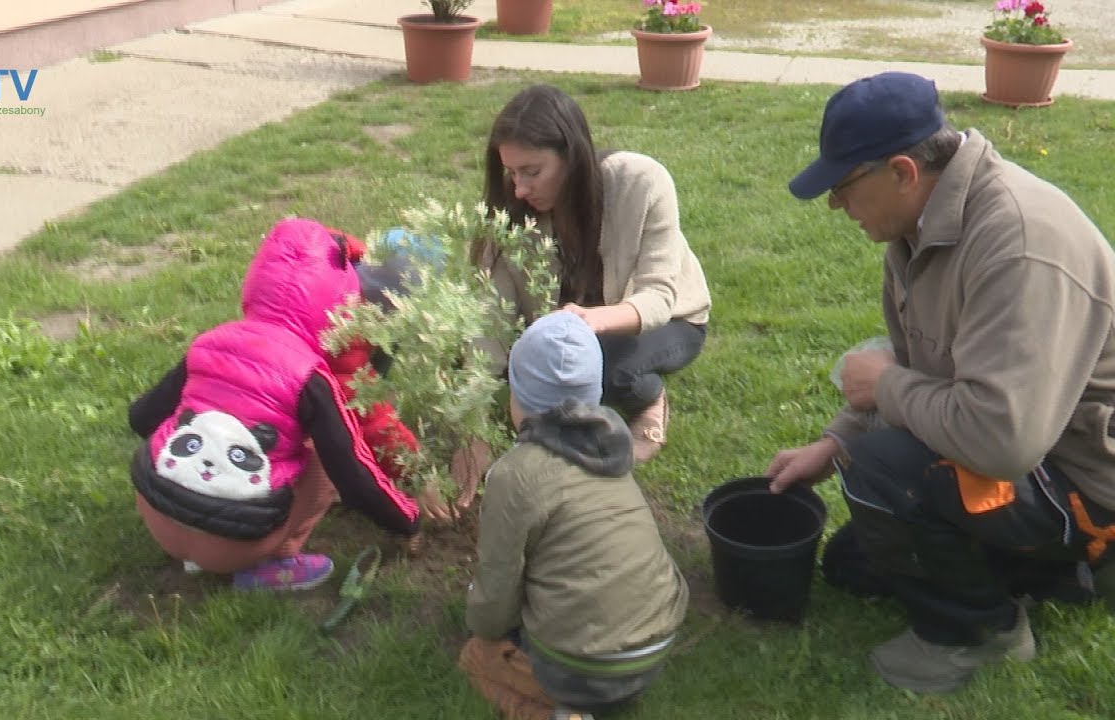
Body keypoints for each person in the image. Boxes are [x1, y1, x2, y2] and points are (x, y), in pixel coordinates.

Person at [767, 71, 1115, 694]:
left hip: (1089, 480)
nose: (836, 206)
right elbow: (916, 372)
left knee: (882, 471)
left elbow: (1000, 440)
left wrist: (882, 397)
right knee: (857, 561)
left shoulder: (1018, 243)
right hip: (1033, 451)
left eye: (843, 187)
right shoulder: (915, 233)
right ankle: (1041, 573)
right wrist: (834, 442)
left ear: (902, 171)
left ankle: (981, 634)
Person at [127, 218, 421, 590]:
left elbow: (142, 418)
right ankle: (276, 561)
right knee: (323, 458)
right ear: (340, 302)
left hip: (156, 517)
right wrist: (408, 518)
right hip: (234, 544)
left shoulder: (210, 342)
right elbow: (353, 472)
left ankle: (191, 552)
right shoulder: (312, 376)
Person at [459, 311, 689, 720]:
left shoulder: (515, 474)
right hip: (657, 639)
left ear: (517, 393)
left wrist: (483, 626)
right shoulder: (611, 443)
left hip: (590, 667)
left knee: (478, 656)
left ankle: (560, 714)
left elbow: (495, 596)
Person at [472, 83, 712, 464]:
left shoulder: (642, 182)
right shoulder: (511, 209)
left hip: (667, 321)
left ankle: (650, 398)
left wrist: (588, 320)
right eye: (511, 173)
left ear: (573, 155)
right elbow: (489, 316)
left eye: (532, 171)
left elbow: (658, 298)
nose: (518, 189)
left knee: (601, 374)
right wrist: (474, 431)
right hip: (570, 330)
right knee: (519, 370)